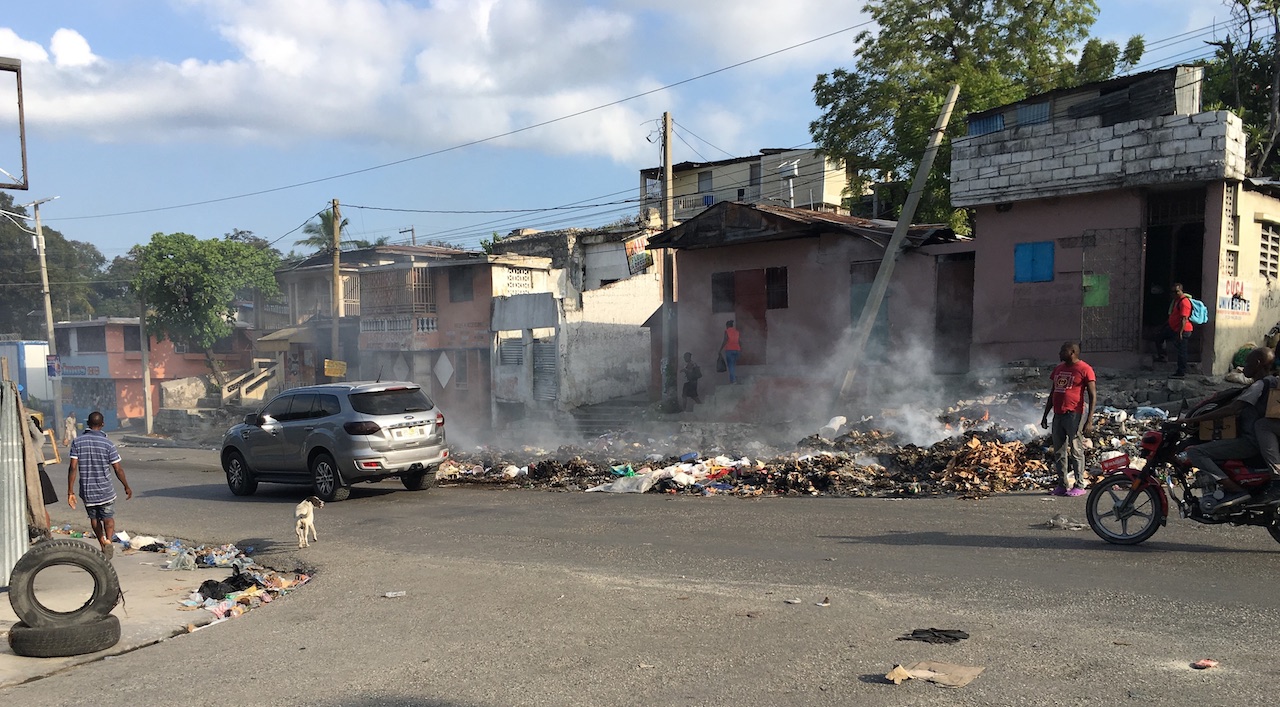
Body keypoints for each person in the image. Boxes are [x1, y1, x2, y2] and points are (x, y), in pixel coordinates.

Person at [1181, 347, 1275, 512]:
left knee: (1196, 452)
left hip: (1249, 442)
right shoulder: (1273, 382)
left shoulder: (1260, 385)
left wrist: (1193, 420)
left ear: (1258, 363)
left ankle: (1234, 490)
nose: (1244, 367)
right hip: (1259, 440)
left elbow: (1232, 409)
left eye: (1248, 362)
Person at [67, 411, 132, 558]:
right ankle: (109, 541)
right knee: (108, 517)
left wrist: (70, 491)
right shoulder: (108, 444)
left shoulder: (77, 442)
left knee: (94, 518)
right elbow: (118, 469)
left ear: (88, 424)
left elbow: (72, 467)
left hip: (87, 490)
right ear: (102, 424)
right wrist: (126, 486)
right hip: (105, 489)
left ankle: (102, 542)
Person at [1040, 342, 1097, 496]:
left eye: (1062, 350)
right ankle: (1062, 485)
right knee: (1059, 451)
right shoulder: (1058, 369)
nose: (1059, 353)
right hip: (1058, 415)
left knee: (1076, 450)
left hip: (1074, 415)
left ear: (1072, 352)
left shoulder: (1085, 369)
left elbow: (1092, 395)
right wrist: (1045, 415)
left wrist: (1089, 420)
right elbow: (1053, 394)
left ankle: (1079, 485)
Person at [26, 415, 57, 531]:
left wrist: (27, 419)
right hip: (30, 474)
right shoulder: (24, 440)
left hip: (37, 473)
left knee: (40, 507)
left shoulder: (37, 440)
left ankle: (46, 533)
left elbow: (33, 429)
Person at [1155, 282, 1193, 378]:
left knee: (1182, 351)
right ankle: (1162, 356)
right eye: (1172, 292)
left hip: (1183, 330)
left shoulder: (1184, 302)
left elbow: (1184, 319)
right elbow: (1173, 315)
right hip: (1173, 328)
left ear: (1181, 290)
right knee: (1159, 337)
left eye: (1177, 291)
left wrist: (1180, 333)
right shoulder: (1176, 301)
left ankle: (1181, 372)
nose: (1174, 294)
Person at [720, 320, 742, 384]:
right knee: (733, 365)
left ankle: (734, 380)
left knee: (730, 366)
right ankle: (732, 379)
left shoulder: (727, 331)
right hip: (737, 350)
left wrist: (720, 349)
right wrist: (740, 350)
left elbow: (725, 340)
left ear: (727, 325)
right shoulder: (737, 332)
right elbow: (740, 341)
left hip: (730, 350)